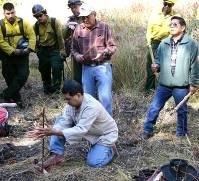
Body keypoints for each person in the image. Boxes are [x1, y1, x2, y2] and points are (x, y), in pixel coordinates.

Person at [27, 80, 118, 171]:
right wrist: (49, 130)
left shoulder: (91, 106)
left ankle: (110, 150)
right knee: (60, 121)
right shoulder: (72, 104)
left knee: (94, 163)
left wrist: (54, 131)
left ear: (78, 95)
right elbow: (64, 122)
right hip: (92, 132)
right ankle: (57, 155)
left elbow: (81, 130)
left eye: (68, 99)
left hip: (105, 135)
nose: (66, 102)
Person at [141, 16, 199, 140]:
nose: (171, 27)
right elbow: (158, 59)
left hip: (181, 85)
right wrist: (156, 66)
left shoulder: (191, 44)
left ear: (182, 28)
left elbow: (195, 65)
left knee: (182, 110)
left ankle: (181, 134)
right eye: (170, 25)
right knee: (155, 106)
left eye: (175, 25)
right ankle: (147, 129)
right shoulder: (164, 43)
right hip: (164, 84)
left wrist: (194, 83)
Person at [71, 5, 117, 116]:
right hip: (86, 68)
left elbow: (112, 46)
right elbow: (73, 49)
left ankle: (107, 126)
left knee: (105, 97)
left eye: (87, 16)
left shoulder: (104, 27)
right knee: (88, 99)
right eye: (83, 17)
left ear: (94, 15)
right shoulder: (79, 29)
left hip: (103, 66)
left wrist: (105, 51)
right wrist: (77, 56)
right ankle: (91, 123)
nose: (85, 19)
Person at [0, 2, 36, 107]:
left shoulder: (23, 22)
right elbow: (1, 41)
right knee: (8, 75)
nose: (11, 15)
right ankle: (16, 97)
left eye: (12, 12)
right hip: (7, 54)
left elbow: (32, 35)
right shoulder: (1, 24)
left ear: (15, 11)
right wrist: (13, 51)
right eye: (8, 13)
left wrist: (29, 48)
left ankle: (7, 94)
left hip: (22, 54)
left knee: (23, 75)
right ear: (4, 13)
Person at [32, 4, 66, 94]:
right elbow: (33, 39)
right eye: (36, 16)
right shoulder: (35, 26)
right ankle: (47, 88)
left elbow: (60, 38)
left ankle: (56, 89)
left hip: (54, 49)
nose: (38, 18)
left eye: (40, 15)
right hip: (43, 50)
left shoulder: (55, 22)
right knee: (44, 69)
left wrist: (62, 51)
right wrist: (36, 50)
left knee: (56, 68)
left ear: (45, 13)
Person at [145, 0, 176, 93]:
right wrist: (149, 44)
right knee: (152, 68)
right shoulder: (155, 15)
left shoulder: (175, 17)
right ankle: (149, 91)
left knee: (166, 67)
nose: (166, 6)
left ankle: (164, 91)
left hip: (168, 43)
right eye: (165, 4)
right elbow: (149, 30)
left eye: (169, 5)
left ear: (172, 5)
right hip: (154, 43)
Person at [63, 0, 83, 84]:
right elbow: (64, 36)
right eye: (71, 8)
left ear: (80, 5)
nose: (74, 10)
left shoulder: (86, 16)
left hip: (87, 49)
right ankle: (78, 94)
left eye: (75, 7)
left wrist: (78, 27)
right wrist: (68, 28)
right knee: (77, 76)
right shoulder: (71, 19)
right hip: (75, 50)